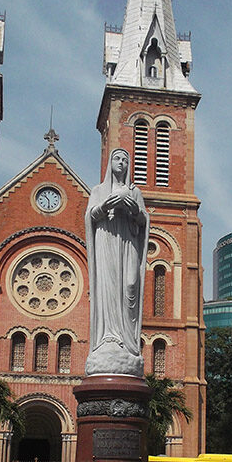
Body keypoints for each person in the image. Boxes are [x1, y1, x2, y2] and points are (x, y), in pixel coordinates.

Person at [84, 148, 149, 377]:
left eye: (125, 160)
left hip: (128, 243)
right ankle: (109, 337)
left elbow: (143, 219)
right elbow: (90, 216)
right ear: (110, 163)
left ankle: (127, 339)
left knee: (131, 285)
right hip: (107, 242)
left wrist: (132, 209)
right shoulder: (99, 190)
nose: (121, 163)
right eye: (117, 159)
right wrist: (105, 207)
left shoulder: (135, 192)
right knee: (109, 288)